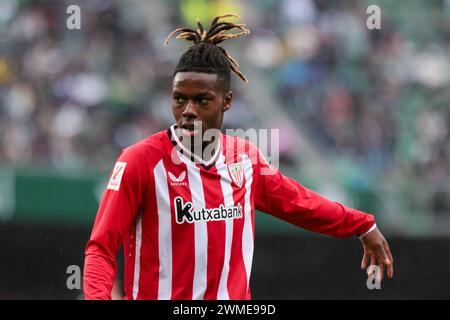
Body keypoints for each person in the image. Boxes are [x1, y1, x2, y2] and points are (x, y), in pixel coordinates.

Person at [83, 14, 393, 300]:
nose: (188, 111)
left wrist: (361, 225)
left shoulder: (245, 160)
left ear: (226, 101)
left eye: (202, 100)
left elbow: (302, 204)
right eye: (179, 99)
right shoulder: (139, 161)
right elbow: (101, 249)